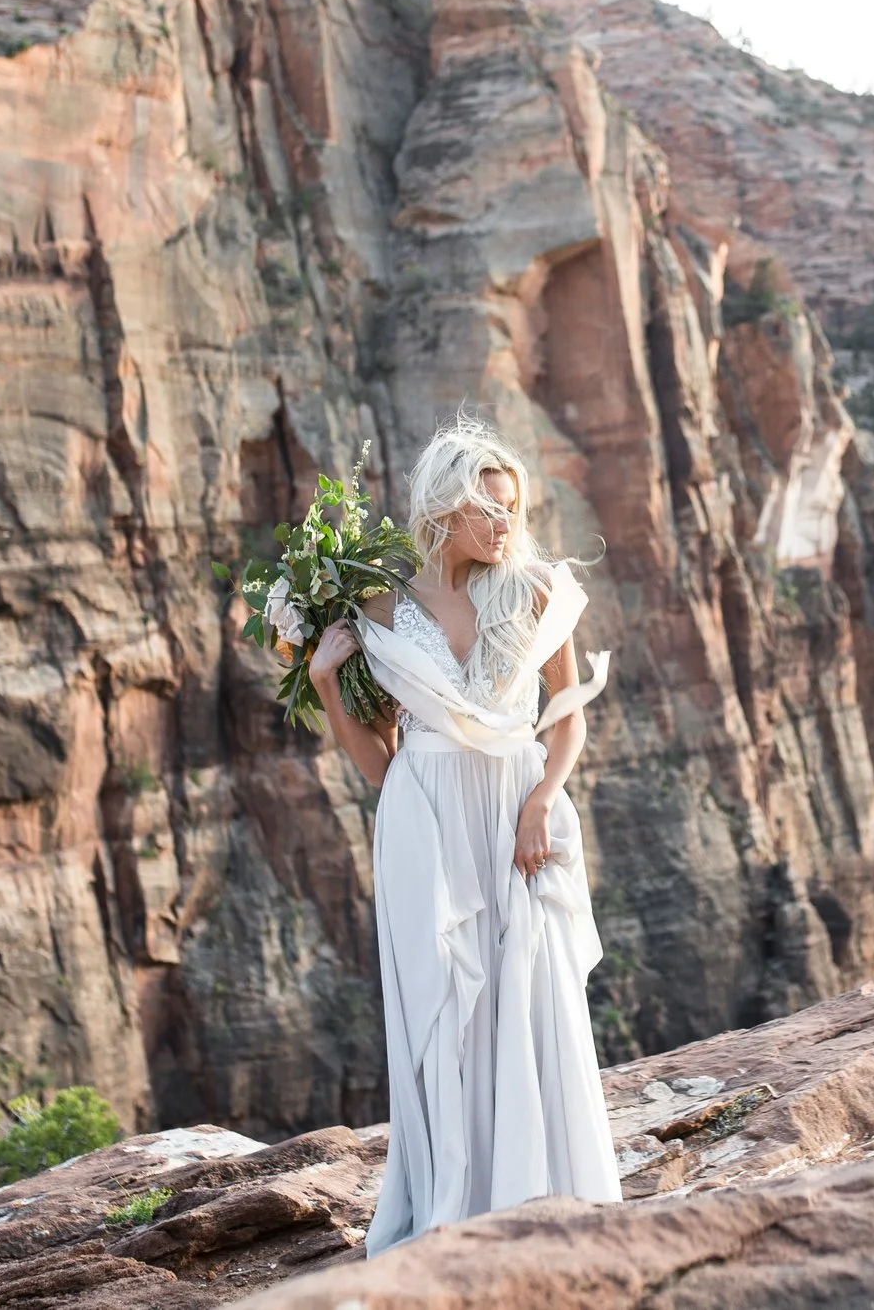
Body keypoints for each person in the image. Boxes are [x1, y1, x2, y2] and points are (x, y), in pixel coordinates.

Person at [306, 416, 621, 1254]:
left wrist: (540, 802)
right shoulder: (380, 604)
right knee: (447, 1013)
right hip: (426, 820)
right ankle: (457, 1202)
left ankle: (542, 1191)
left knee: (527, 992)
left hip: (518, 807)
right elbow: (381, 764)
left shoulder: (536, 590)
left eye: (514, 506)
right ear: (446, 507)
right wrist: (327, 683)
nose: (508, 523)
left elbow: (567, 725)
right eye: (492, 507)